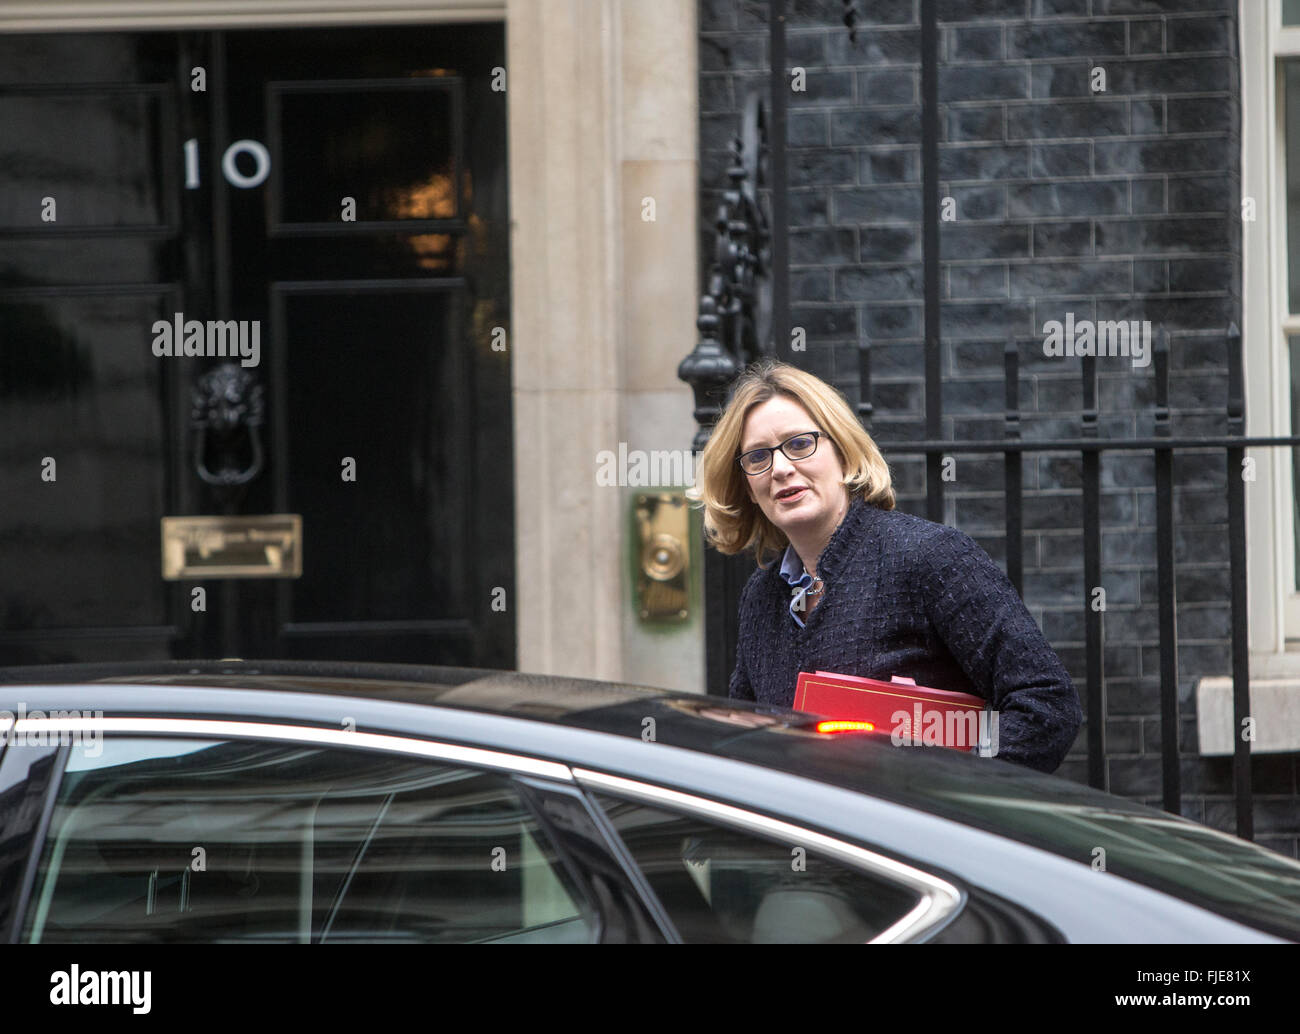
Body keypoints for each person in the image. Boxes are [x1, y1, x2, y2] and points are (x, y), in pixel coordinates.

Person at [690, 358, 1082, 774]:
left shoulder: (930, 557)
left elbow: (1047, 707)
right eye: (757, 457)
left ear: (842, 452)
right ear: (748, 486)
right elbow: (751, 742)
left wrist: (941, 792)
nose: (782, 468)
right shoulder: (761, 597)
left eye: (800, 444)